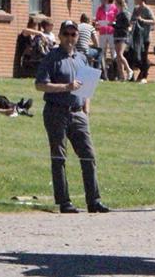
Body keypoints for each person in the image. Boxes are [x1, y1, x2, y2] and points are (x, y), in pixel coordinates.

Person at [35, 20, 110, 214]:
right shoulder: (51, 58)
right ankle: (64, 202)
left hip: (78, 113)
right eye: (66, 34)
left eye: (73, 34)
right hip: (56, 112)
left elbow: (87, 87)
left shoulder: (82, 58)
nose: (70, 38)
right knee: (59, 157)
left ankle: (94, 200)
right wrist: (66, 87)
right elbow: (40, 85)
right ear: (60, 36)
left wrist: (86, 108)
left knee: (88, 156)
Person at [129, 0, 155, 83]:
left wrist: (143, 20)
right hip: (136, 37)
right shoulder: (136, 9)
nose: (134, 0)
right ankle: (141, 71)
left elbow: (154, 21)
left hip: (145, 37)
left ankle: (144, 76)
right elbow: (131, 20)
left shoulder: (147, 9)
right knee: (135, 56)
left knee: (144, 56)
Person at [94, 0, 117, 75]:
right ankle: (103, 73)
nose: (104, 0)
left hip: (111, 32)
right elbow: (96, 20)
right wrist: (97, 23)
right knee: (102, 52)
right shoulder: (100, 9)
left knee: (113, 51)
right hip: (102, 32)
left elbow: (117, 20)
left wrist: (112, 23)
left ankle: (115, 73)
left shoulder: (114, 8)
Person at [111, 0, 133, 82]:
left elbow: (127, 24)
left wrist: (114, 24)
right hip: (117, 35)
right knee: (118, 57)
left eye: (115, 2)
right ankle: (121, 76)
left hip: (123, 36)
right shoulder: (119, 13)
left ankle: (129, 70)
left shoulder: (125, 13)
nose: (114, 4)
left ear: (118, 3)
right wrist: (114, 24)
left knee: (120, 54)